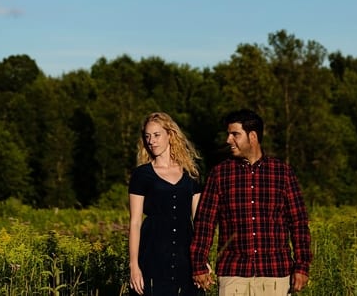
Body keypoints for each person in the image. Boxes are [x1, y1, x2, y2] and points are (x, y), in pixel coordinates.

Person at [190, 109, 311, 295]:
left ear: (252, 136)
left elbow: (298, 223)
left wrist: (302, 267)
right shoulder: (219, 174)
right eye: (228, 134)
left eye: (235, 134)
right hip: (233, 275)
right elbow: (204, 223)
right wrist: (199, 265)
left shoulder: (282, 173)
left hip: (276, 274)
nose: (228, 140)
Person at [128, 112, 207, 296]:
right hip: (152, 254)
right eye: (147, 137)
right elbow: (135, 223)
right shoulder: (141, 175)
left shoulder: (191, 174)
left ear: (170, 135)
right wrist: (134, 266)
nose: (151, 141)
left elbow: (199, 221)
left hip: (185, 255)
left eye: (156, 135)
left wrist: (201, 259)